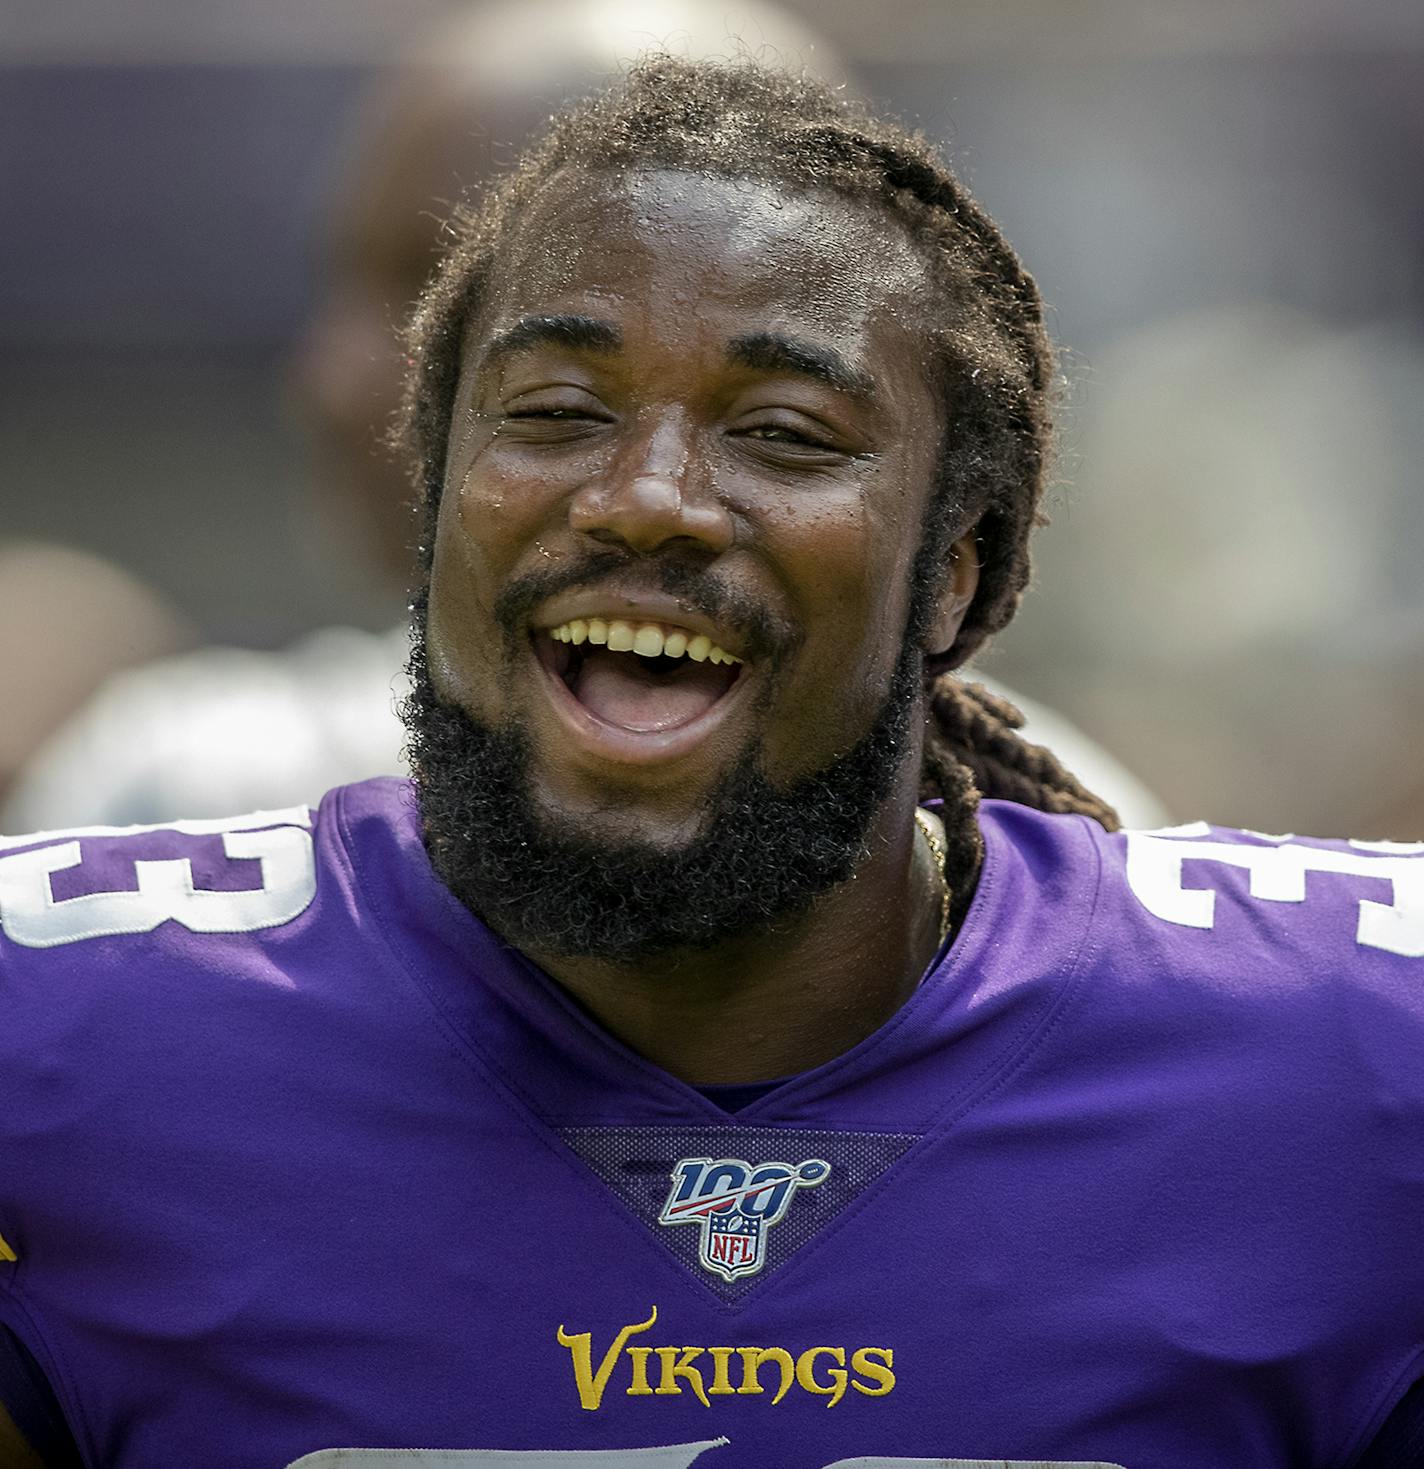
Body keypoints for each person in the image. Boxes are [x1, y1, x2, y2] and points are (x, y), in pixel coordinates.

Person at [0, 57, 1418, 1469]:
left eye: (787, 435)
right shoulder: (61, 1043)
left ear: (954, 571)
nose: (648, 498)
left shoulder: (1353, 1073)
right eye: (556, 411)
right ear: (433, 502)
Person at [0, 0, 1165, 835]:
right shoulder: (183, 808)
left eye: (429, 287)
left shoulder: (1049, 854)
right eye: (341, 283)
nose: (331, 374)